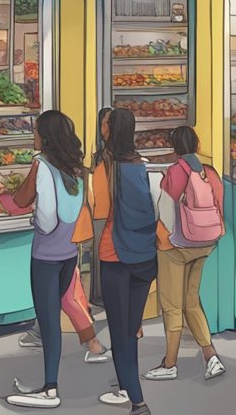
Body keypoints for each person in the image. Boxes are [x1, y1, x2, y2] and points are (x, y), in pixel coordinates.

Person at [3, 110, 89, 409]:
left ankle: (50, 389)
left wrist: (8, 201)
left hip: (45, 255)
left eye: (37, 130)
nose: (34, 135)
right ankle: (47, 383)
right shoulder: (76, 168)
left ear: (47, 137)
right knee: (52, 320)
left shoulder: (40, 165)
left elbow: (22, 201)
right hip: (68, 254)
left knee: (48, 323)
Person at [91, 107, 158, 415]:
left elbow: (101, 210)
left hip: (115, 254)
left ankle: (137, 400)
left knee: (120, 335)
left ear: (111, 130)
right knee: (131, 331)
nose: (102, 128)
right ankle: (129, 386)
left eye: (106, 124)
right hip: (145, 254)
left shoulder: (105, 165)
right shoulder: (139, 164)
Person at [146, 126, 225, 382]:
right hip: (205, 243)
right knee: (192, 301)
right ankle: (211, 356)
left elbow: (166, 211)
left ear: (174, 148)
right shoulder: (210, 172)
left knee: (171, 306)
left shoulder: (175, 172)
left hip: (177, 247)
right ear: (198, 144)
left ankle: (169, 364)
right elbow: (220, 205)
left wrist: (161, 239)